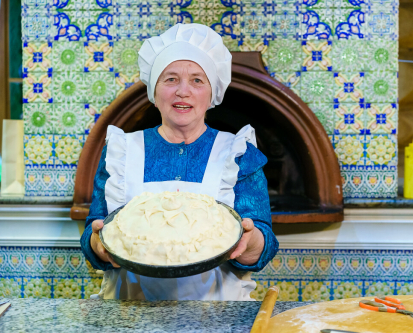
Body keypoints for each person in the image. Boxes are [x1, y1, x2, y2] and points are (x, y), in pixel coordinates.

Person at [80, 23, 279, 301]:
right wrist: (98, 245)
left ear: (212, 93)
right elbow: (95, 232)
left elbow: (264, 246)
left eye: (197, 80)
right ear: (154, 91)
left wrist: (250, 241)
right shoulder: (122, 151)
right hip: (131, 315)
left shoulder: (237, 152)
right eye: (170, 79)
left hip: (217, 318)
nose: (183, 91)